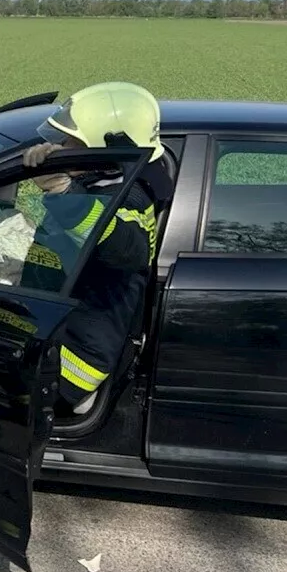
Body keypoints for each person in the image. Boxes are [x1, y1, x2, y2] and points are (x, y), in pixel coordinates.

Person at [18, 82, 173, 416]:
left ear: (108, 147)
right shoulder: (97, 181)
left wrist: (65, 193)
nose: (63, 147)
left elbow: (124, 250)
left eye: (73, 142)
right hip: (53, 329)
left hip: (74, 362)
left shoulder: (130, 197)